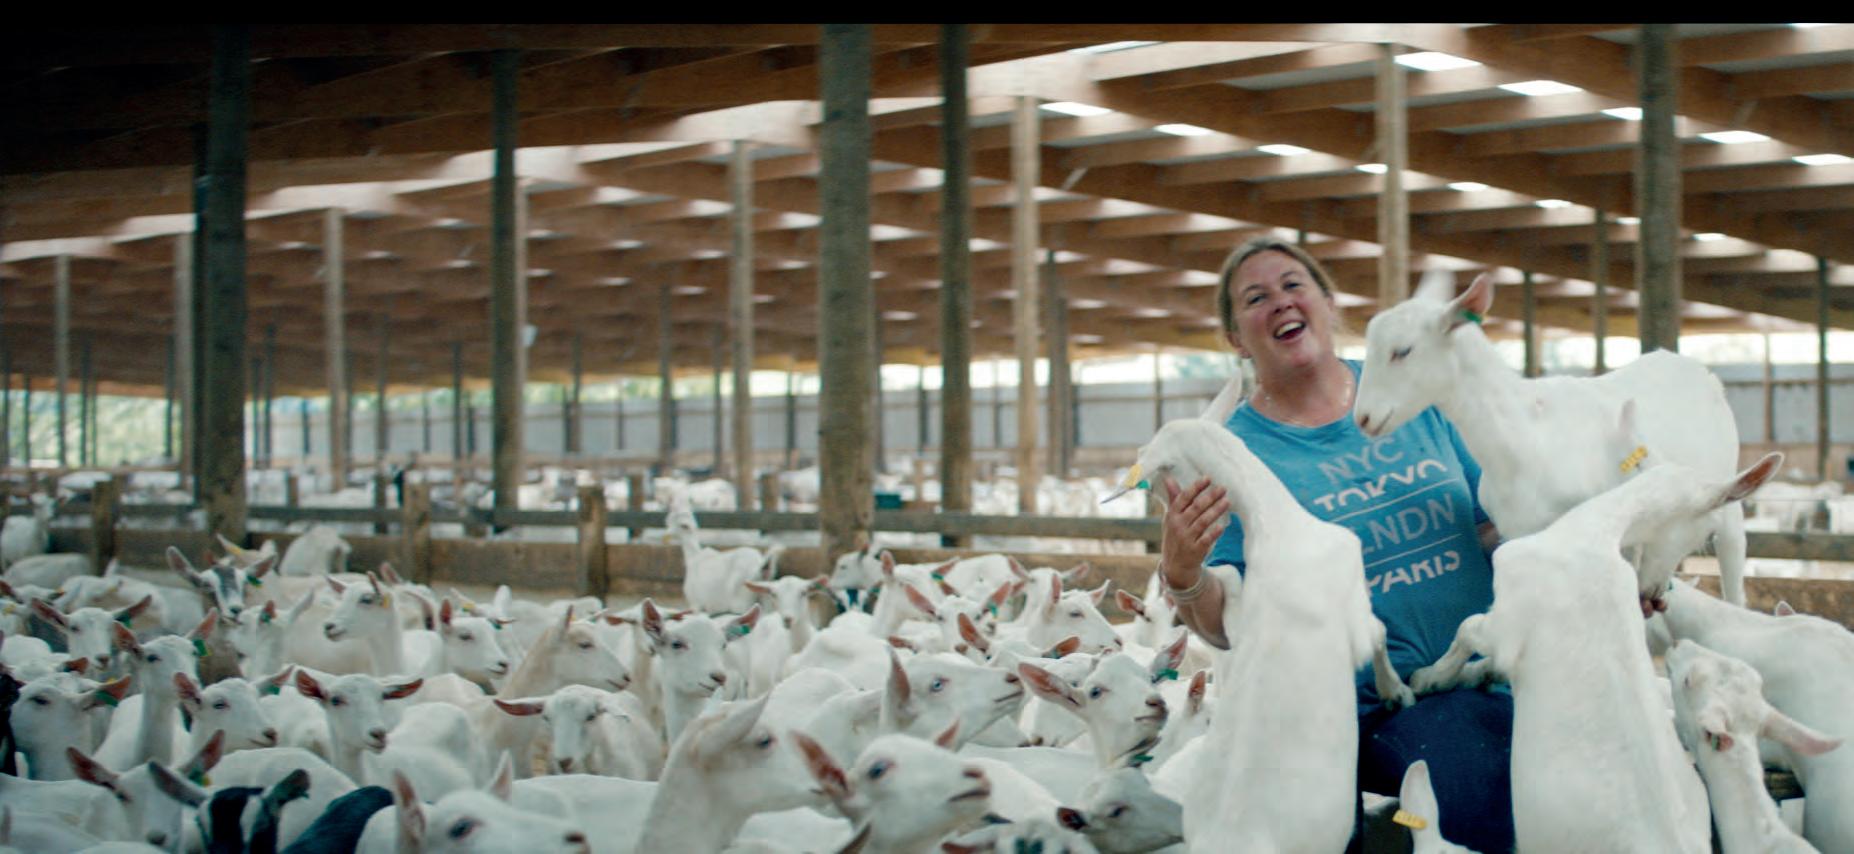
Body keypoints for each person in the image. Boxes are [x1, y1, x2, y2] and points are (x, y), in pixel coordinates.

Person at [1158, 237, 1514, 853]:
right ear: (1236, 339)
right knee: (1458, 781)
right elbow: (1225, 624)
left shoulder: (1415, 388)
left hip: (1475, 677)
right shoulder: (1229, 452)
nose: (1280, 302)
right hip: (1344, 708)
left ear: (1328, 304)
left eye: (1294, 285)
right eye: (1256, 298)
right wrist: (1183, 571)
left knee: (1510, 767)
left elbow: (1493, 524)